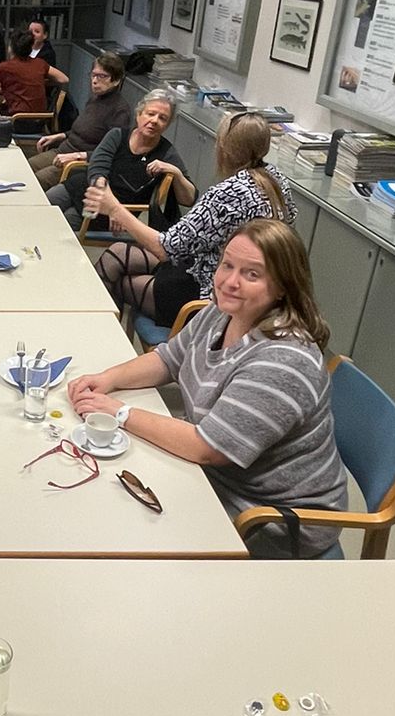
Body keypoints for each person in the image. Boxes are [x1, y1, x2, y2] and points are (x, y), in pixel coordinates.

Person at [68, 221, 346, 558]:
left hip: (269, 518)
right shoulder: (222, 312)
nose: (230, 282)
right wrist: (108, 378)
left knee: (122, 530)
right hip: (216, 478)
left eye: (252, 274)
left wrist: (120, 412)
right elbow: (169, 359)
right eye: (227, 265)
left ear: (283, 287)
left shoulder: (284, 360)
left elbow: (206, 447)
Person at [91, 109, 293, 327]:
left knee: (117, 281)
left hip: (207, 293)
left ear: (225, 149)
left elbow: (165, 248)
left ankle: (99, 333)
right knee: (118, 253)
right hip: (228, 279)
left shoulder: (228, 193)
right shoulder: (276, 179)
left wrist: (115, 209)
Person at [48, 89, 192, 230]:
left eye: (162, 118)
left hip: (115, 212)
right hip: (91, 189)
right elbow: (98, 167)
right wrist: (109, 200)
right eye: (150, 114)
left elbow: (189, 199)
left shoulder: (166, 153)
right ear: (139, 114)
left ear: (167, 125)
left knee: (65, 222)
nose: (154, 121)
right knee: (45, 203)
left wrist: (176, 172)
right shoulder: (117, 135)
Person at [28, 52, 132, 187]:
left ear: (116, 80)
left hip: (79, 162)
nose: (94, 81)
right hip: (64, 149)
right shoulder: (95, 98)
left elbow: (113, 153)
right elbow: (83, 130)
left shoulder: (120, 110)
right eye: (93, 75)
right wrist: (60, 135)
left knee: (37, 180)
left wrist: (77, 156)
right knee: (26, 166)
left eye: (102, 76)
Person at [0, 27, 69, 118]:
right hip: (41, 119)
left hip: (16, 119)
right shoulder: (40, 63)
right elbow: (64, 79)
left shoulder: (4, 67)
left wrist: (6, 88)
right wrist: (40, 82)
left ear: (10, 48)